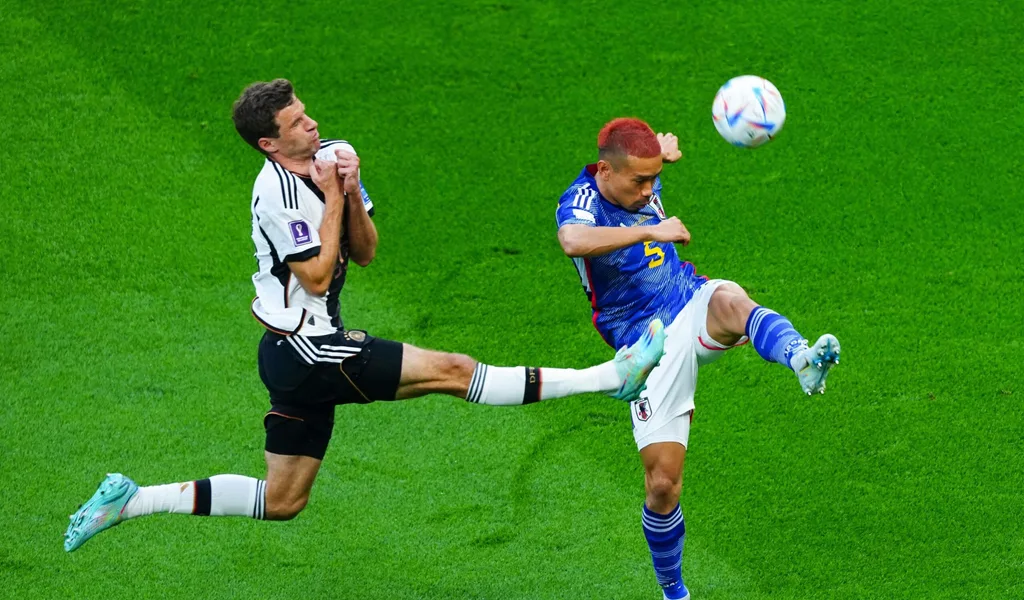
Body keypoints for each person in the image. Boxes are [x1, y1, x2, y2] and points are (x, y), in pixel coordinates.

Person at [63, 81, 666, 553]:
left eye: (306, 113)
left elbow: (367, 251)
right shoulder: (275, 195)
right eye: (296, 123)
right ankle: (612, 377)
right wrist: (332, 195)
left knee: (283, 500)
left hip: (293, 355)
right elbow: (316, 276)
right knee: (454, 371)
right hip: (308, 348)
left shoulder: (333, 156)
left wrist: (350, 191)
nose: (311, 124)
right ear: (270, 143)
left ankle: (132, 501)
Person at [554, 117, 841, 600]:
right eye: (639, 181)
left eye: (654, 179)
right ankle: (674, 592)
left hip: (687, 298)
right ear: (605, 171)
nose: (649, 190)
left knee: (731, 301)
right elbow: (572, 241)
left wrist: (660, 155)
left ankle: (801, 359)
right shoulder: (581, 200)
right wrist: (653, 231)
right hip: (645, 344)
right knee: (663, 485)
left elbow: (643, 166)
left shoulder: (636, 180)